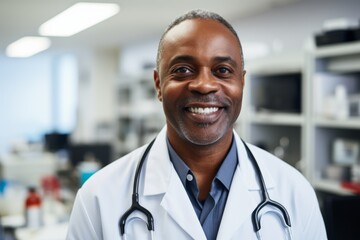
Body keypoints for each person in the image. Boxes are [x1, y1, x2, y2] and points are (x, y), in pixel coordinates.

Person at [66, 9, 327, 240]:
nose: (204, 85)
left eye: (223, 70)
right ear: (158, 84)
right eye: (182, 70)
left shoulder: (294, 192)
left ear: (242, 83)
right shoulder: (98, 200)